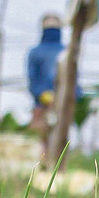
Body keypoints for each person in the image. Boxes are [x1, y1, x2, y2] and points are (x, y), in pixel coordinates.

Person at [27, 13, 65, 141]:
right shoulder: (35, 52)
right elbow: (33, 78)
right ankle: (42, 160)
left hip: (63, 104)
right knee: (39, 137)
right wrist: (42, 95)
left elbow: (72, 78)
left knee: (60, 139)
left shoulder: (67, 52)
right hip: (41, 104)